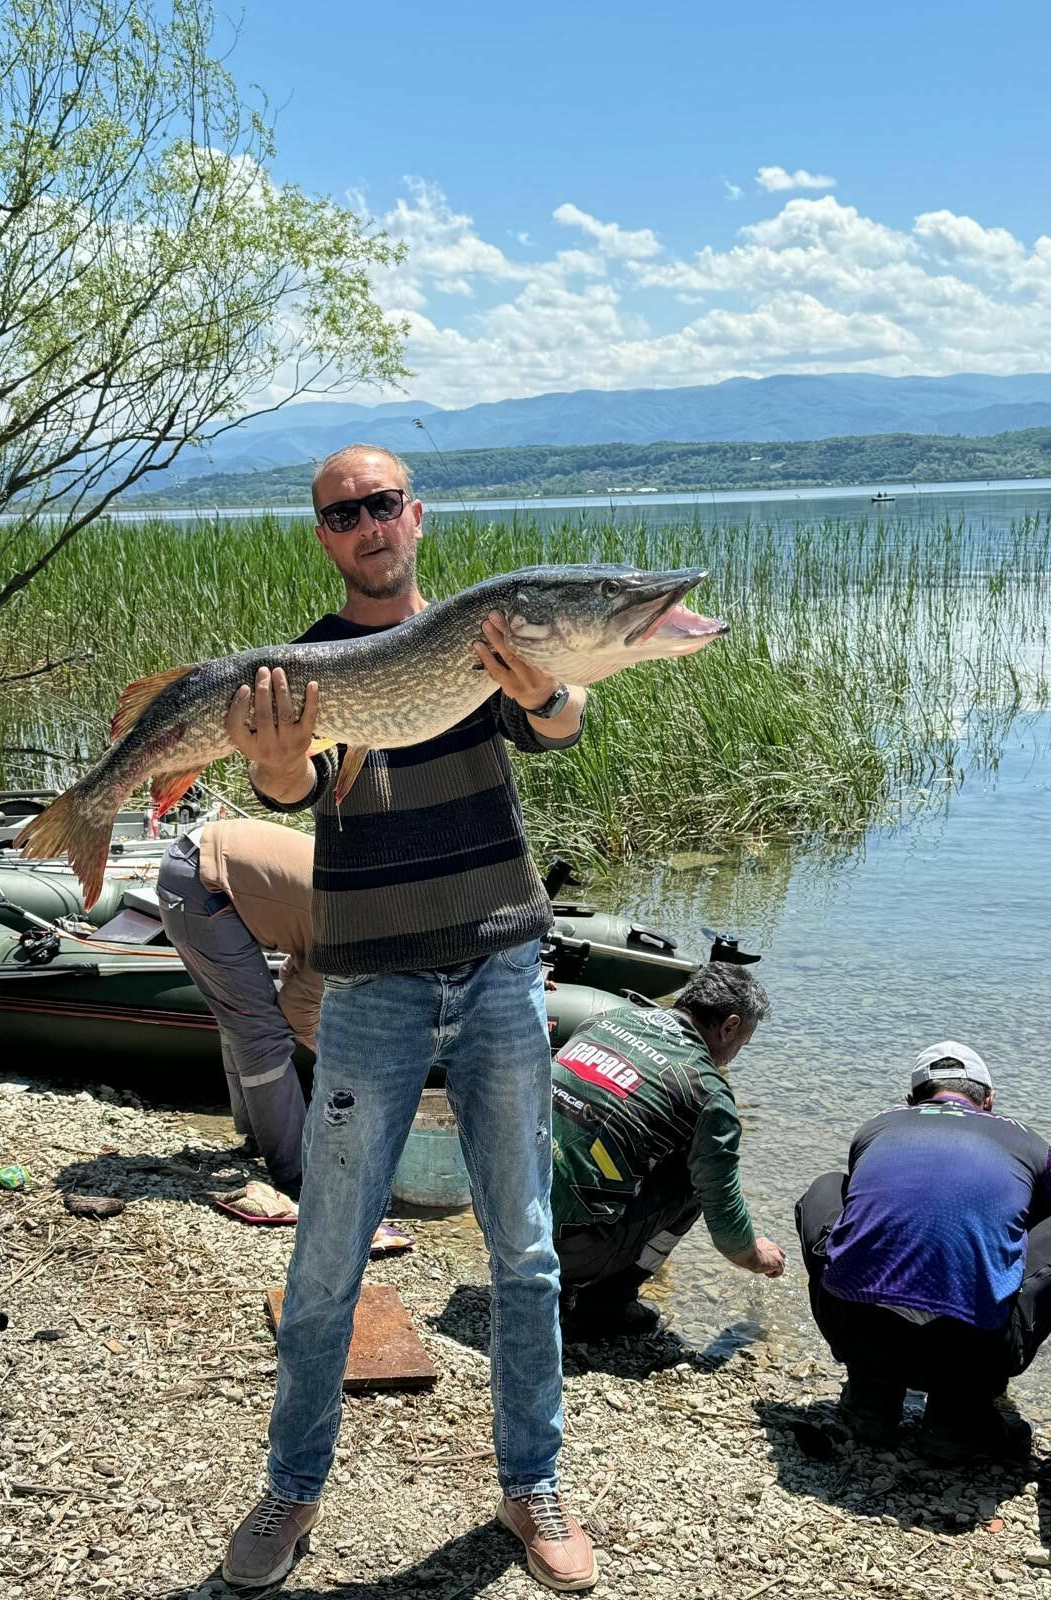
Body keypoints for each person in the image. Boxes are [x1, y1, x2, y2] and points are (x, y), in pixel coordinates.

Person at [218, 445, 598, 1593]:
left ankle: (533, 1482)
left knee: (525, 1247)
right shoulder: (306, 666)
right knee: (327, 1253)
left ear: (416, 517)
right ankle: (291, 1488)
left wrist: (549, 694)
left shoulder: (485, 635)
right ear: (325, 537)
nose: (368, 524)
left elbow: (562, 722)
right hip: (371, 988)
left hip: (499, 970)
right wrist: (275, 768)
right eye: (345, 514)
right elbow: (293, 787)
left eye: (383, 504)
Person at [795, 1041, 1051, 1460]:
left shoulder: (877, 1126)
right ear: (988, 1101)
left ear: (911, 1100)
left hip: (856, 1331)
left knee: (828, 1188)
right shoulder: (1027, 1140)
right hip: (972, 1350)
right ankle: (958, 1417)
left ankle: (871, 1400)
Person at [551, 963, 785, 1340]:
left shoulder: (607, 1020)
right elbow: (725, 1219)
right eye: (742, 1043)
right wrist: (756, 1256)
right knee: (694, 1179)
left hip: (500, 1216)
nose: (734, 1055)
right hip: (564, 1249)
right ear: (729, 1027)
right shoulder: (708, 1093)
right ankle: (605, 1303)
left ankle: (551, 1277)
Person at [155, 817, 320, 1195]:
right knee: (261, 1031)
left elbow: (297, 966)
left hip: (197, 858)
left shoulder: (365, 911)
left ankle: (257, 1135)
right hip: (199, 879)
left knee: (242, 1018)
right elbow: (296, 1011)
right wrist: (334, 1056)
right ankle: (295, 1175)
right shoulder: (356, 943)